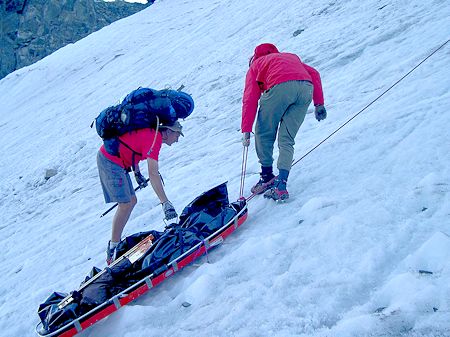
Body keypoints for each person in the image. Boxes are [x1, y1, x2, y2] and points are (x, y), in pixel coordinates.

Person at [241, 43, 327, 201]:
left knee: (264, 132)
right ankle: (281, 184)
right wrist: (319, 104)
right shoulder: (288, 57)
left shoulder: (257, 65)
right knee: (287, 138)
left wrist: (246, 129)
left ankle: (267, 176)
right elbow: (314, 73)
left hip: (278, 87)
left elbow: (250, 98)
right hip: (306, 88)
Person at [97, 121, 184, 264]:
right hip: (110, 160)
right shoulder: (155, 140)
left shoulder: (152, 136)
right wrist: (165, 202)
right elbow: (154, 174)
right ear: (168, 131)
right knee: (125, 204)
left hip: (118, 160)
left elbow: (133, 146)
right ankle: (113, 248)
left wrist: (137, 172)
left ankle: (115, 244)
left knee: (131, 201)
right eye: (177, 134)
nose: (177, 139)